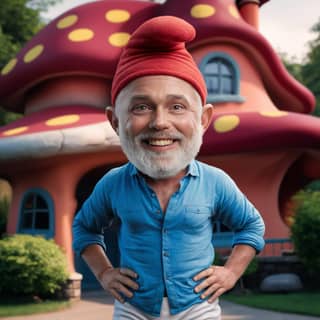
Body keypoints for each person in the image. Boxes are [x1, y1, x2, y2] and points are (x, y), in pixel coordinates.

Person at [72, 15, 265, 320]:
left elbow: (251, 226)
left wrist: (230, 273)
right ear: (115, 121)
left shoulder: (215, 182)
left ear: (203, 119)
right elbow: (84, 227)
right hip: (133, 307)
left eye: (177, 107)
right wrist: (105, 273)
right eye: (141, 106)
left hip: (196, 306)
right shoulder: (112, 184)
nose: (160, 122)